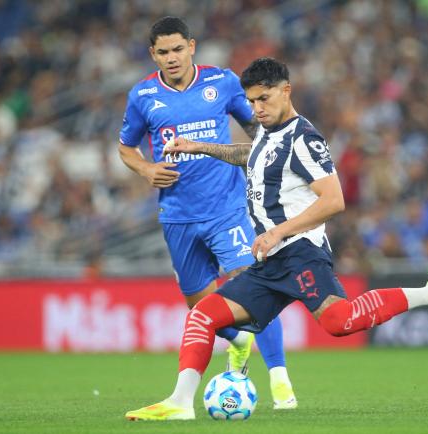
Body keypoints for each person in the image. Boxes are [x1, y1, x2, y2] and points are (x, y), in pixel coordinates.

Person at [124, 57, 428, 421]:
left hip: (301, 253)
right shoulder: (268, 132)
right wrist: (201, 147)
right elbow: (254, 156)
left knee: (340, 322)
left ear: (286, 91)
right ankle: (180, 403)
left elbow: (334, 200)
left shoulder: (305, 139)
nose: (256, 109)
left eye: (263, 99)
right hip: (271, 262)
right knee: (202, 316)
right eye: (251, 101)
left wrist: (277, 232)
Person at [117, 17, 297, 410]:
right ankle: (238, 339)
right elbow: (126, 148)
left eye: (178, 49)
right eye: (163, 52)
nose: (172, 58)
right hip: (178, 217)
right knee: (203, 309)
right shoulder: (143, 95)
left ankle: (281, 381)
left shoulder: (223, 82)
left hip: (227, 209)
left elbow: (258, 127)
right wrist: (147, 169)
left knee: (254, 287)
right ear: (153, 55)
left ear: (192, 46)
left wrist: (268, 165)